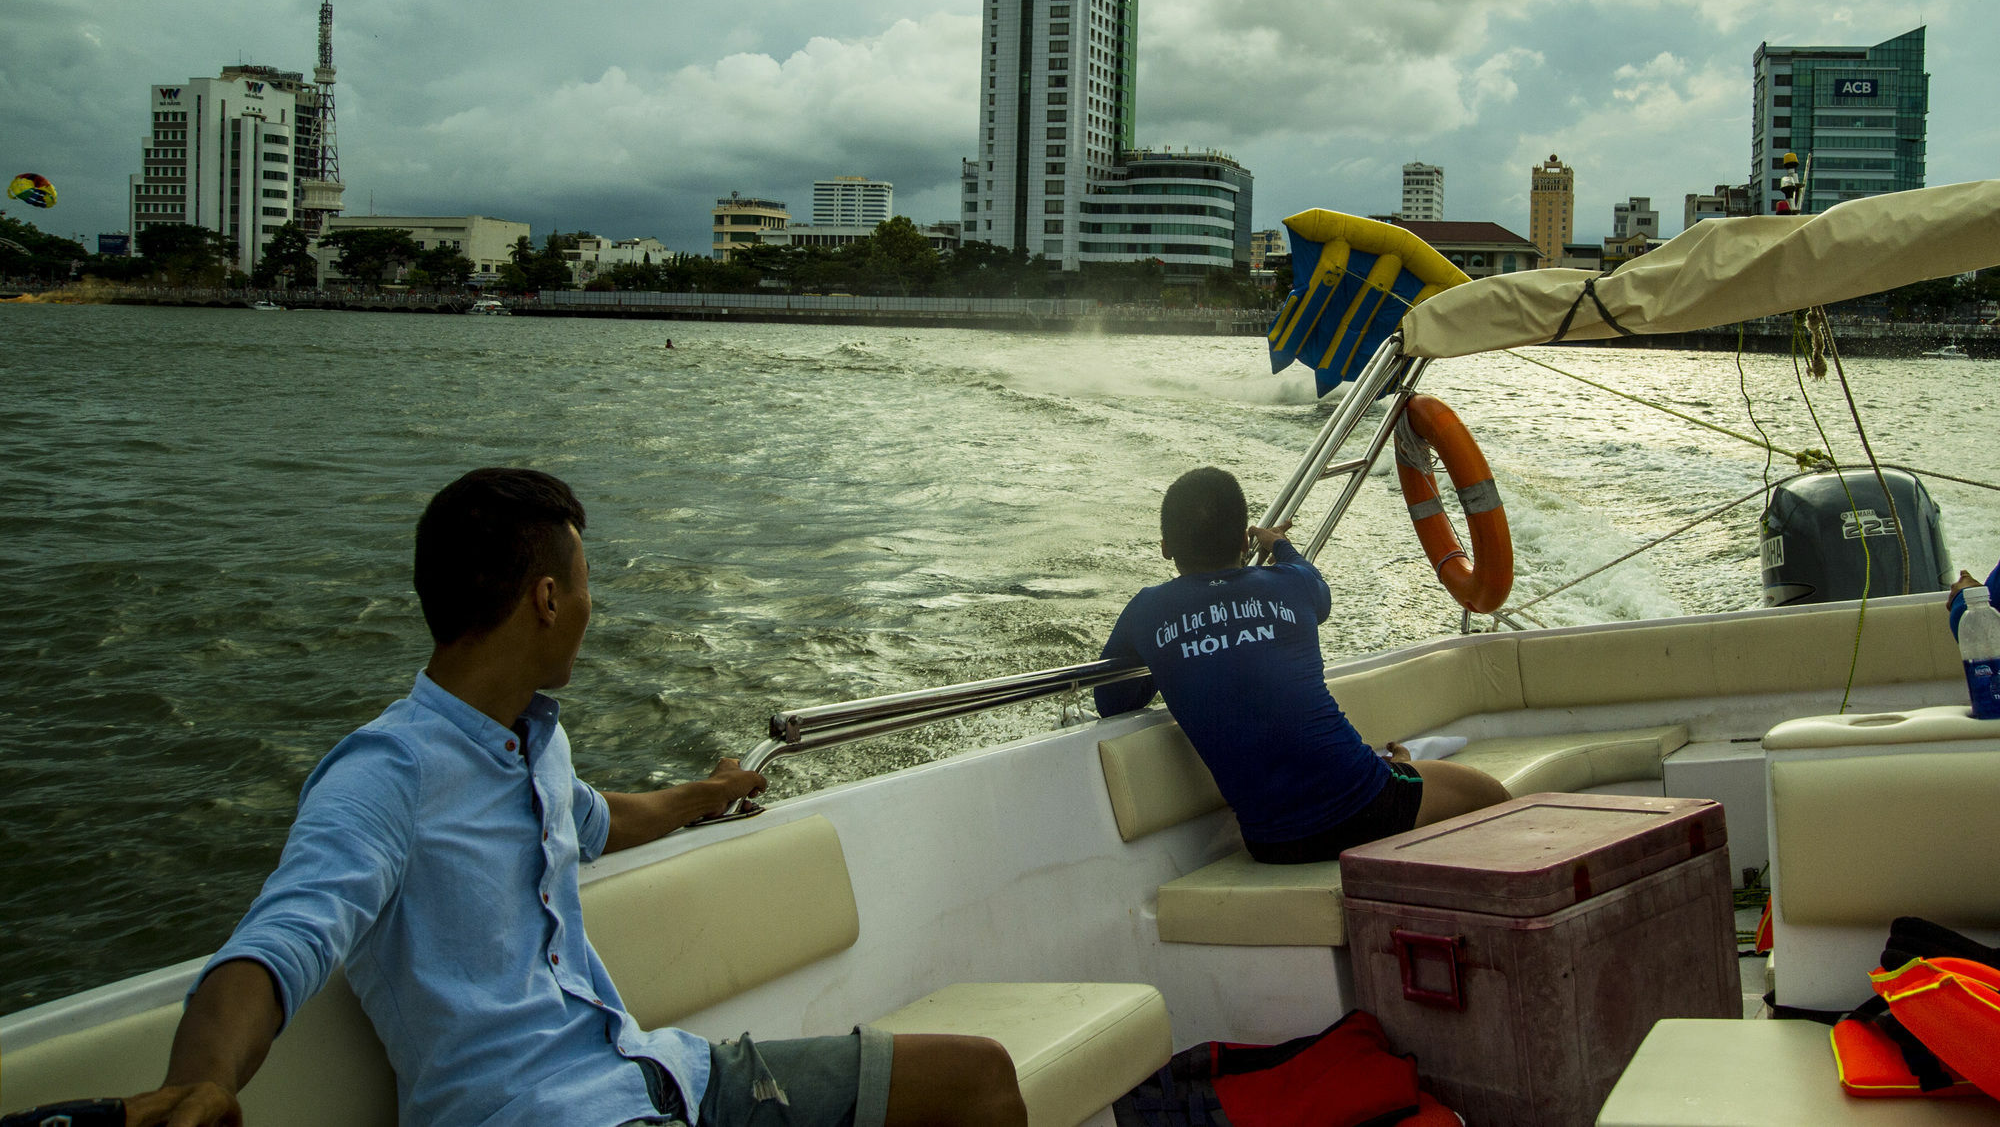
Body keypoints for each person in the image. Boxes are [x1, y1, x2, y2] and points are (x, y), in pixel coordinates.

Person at [121, 468, 1025, 1127]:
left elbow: (594, 820)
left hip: (661, 1071)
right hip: (537, 1111)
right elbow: (278, 944)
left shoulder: (533, 741)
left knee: (981, 1081)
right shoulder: (383, 773)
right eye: (588, 587)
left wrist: (706, 794)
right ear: (548, 598)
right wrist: (202, 1083)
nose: (596, 608)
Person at [1094, 467, 1508, 865]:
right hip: (1366, 806)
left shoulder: (1146, 612)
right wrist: (1278, 544)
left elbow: (1110, 700)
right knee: (1494, 798)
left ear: (1166, 546)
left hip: (1271, 843)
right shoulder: (1290, 583)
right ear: (1243, 541)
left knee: (1399, 772)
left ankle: (1394, 769)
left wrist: (1166, 658)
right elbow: (1318, 592)